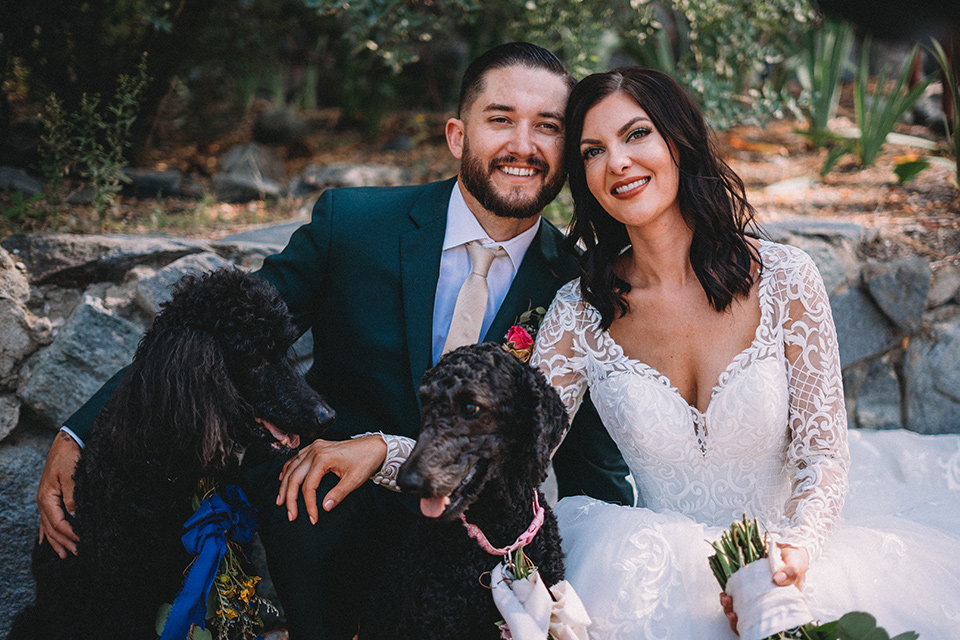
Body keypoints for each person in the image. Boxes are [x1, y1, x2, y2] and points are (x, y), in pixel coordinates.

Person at [33, 43, 633, 640]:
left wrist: (624, 572)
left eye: (547, 127)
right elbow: (214, 333)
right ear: (457, 135)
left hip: (471, 547)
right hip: (329, 511)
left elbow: (587, 460)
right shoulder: (354, 224)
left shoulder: (575, 286)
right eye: (500, 119)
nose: (523, 146)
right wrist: (81, 430)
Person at [529, 65, 960, 639]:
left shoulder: (785, 278)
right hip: (649, 581)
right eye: (592, 151)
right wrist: (385, 454)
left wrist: (795, 552)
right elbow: (512, 450)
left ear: (678, 140)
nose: (618, 162)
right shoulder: (579, 312)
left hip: (794, 557)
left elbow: (823, 455)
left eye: (637, 134)